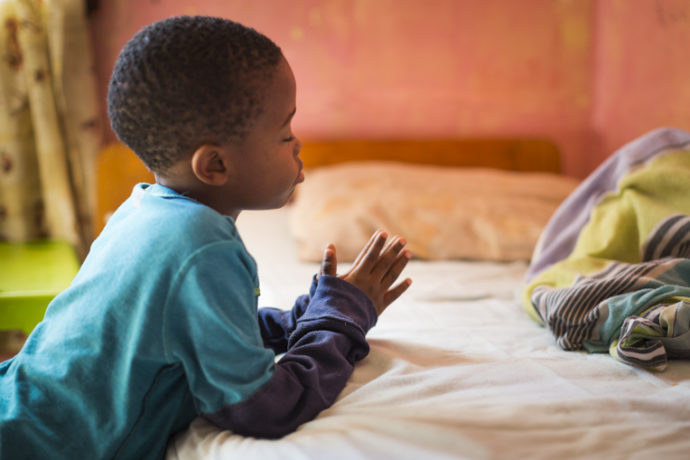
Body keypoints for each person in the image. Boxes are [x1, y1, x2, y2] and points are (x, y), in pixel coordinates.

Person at [0, 16, 412, 459]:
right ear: (214, 166)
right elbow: (265, 409)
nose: (297, 145)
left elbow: (192, 331)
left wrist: (301, 317)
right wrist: (342, 318)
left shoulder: (142, 209)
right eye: (285, 132)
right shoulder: (205, 248)